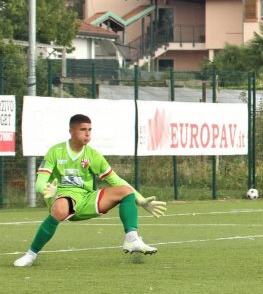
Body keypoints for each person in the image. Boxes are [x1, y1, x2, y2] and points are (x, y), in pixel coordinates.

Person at [13, 114, 167, 267]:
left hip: (86, 199)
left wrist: (140, 199)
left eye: (90, 130)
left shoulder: (93, 155)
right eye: (83, 129)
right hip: (62, 198)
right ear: (71, 131)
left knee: (125, 191)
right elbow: (40, 182)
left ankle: (132, 239)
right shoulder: (55, 151)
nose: (87, 134)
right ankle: (30, 255)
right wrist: (47, 190)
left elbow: (116, 180)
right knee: (60, 208)